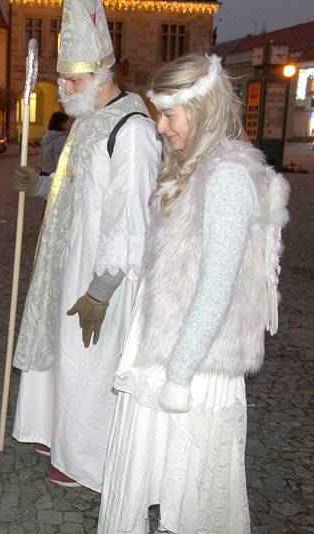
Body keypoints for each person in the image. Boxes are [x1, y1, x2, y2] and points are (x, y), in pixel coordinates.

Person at [97, 54, 290, 534]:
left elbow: (217, 284)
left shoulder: (226, 176)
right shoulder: (189, 170)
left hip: (193, 366)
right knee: (155, 476)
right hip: (164, 352)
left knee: (192, 494)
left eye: (169, 114)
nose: (160, 127)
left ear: (201, 108)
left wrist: (179, 373)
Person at [10, 0, 161, 490]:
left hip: (102, 273)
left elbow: (130, 218)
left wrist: (102, 289)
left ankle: (87, 460)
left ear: (101, 74)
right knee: (63, 353)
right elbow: (73, 187)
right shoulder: (88, 119)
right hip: (66, 260)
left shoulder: (132, 130)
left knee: (90, 363)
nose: (66, 91)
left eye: (73, 81)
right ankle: (56, 432)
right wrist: (38, 184)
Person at [39, 111, 70, 176]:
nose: (68, 124)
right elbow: (60, 160)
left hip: (43, 173)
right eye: (66, 122)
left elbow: (41, 157)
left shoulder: (47, 136)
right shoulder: (60, 138)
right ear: (61, 124)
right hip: (53, 175)